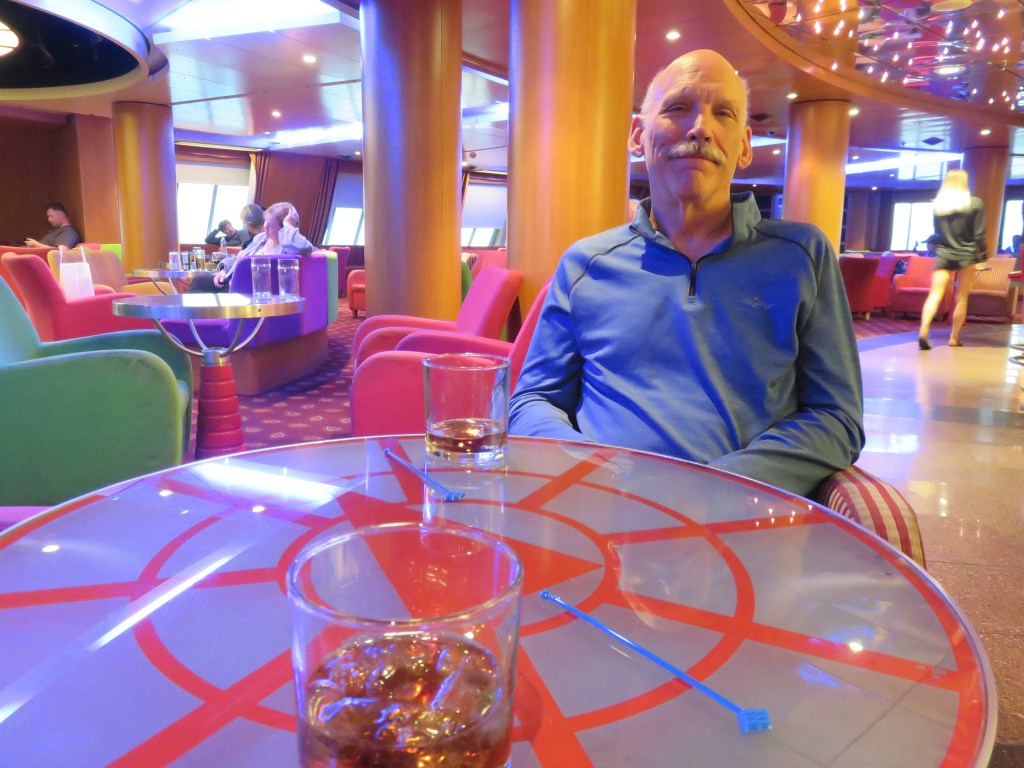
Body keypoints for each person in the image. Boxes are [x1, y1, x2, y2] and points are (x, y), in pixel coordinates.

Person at [508, 49, 865, 497]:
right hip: (600, 505)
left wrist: (714, 487)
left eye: (723, 114)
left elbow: (837, 417)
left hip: (738, 514)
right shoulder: (586, 263)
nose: (700, 128)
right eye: (678, 107)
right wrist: (587, 467)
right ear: (637, 135)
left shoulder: (801, 257)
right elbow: (533, 400)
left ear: (745, 146)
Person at [917, 169, 987, 350]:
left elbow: (937, 233)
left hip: (944, 253)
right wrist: (984, 256)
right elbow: (979, 235)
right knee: (962, 298)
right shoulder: (975, 203)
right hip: (966, 254)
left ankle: (924, 331)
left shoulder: (939, 206)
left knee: (935, 294)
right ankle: (954, 338)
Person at [189, 202, 313, 293]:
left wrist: (288, 224)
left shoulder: (288, 246)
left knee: (199, 284)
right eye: (265, 221)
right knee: (199, 281)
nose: (265, 227)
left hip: (247, 291)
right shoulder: (261, 239)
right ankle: (194, 320)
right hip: (231, 281)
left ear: (283, 229)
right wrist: (224, 269)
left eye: (270, 225)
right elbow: (239, 258)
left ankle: (199, 320)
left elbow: (305, 248)